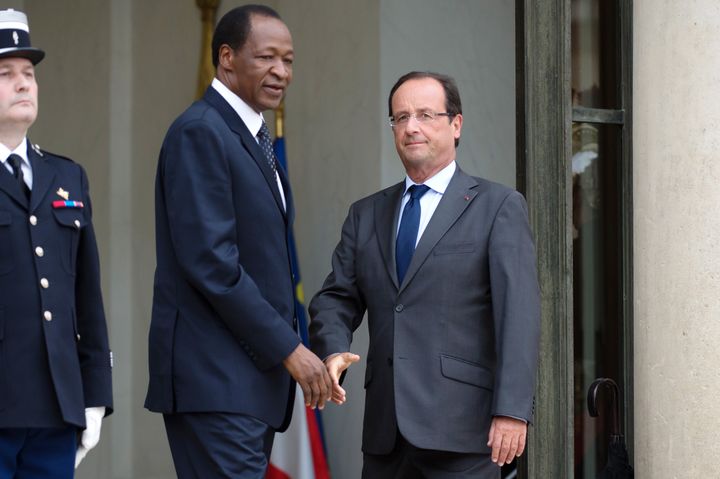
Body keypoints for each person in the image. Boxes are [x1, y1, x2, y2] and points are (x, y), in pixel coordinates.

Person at [309, 71, 541, 478]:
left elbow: (518, 317)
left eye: (424, 115)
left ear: (456, 124)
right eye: (400, 118)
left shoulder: (497, 206)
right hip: (386, 437)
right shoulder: (366, 214)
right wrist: (331, 350)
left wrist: (512, 411)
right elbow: (336, 298)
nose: (411, 127)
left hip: (464, 435)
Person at [145, 5, 331, 477]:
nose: (281, 72)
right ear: (226, 58)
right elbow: (212, 264)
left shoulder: (251, 137)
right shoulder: (201, 132)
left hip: (246, 387)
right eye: (267, 57)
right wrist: (290, 348)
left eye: (288, 61)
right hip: (215, 383)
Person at [0, 8, 112, 478]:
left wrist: (95, 397)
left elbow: (86, 298)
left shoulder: (66, 176)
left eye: (29, 73)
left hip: (56, 408)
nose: (24, 83)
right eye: (6, 73)